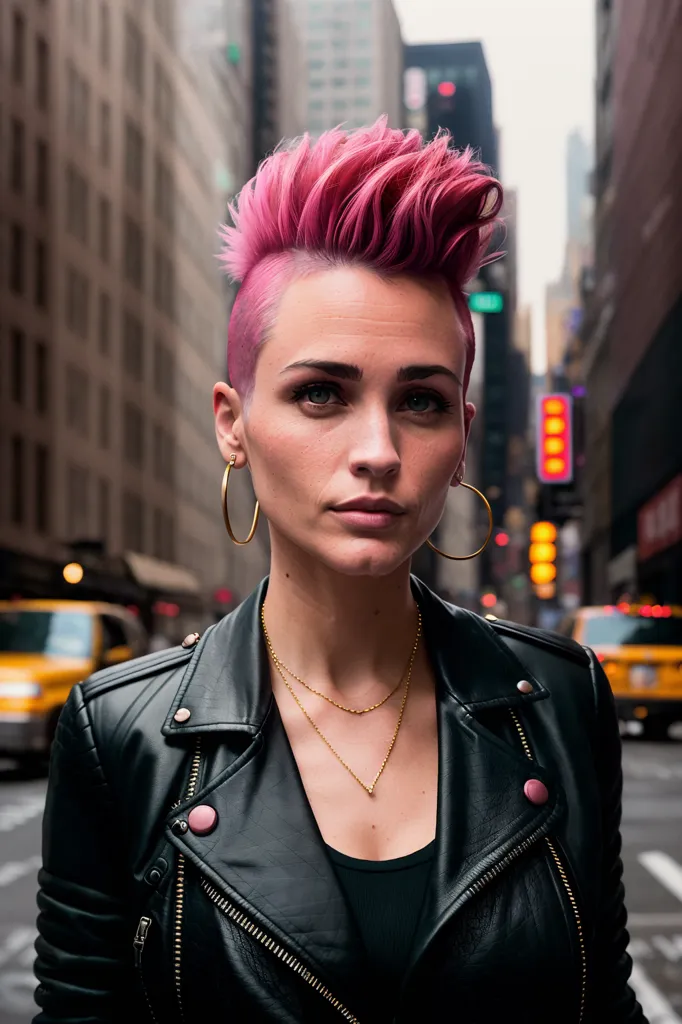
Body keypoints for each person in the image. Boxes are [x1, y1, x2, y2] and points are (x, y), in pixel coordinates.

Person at [33, 119, 645, 1024]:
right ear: (232, 423)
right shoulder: (121, 735)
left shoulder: (561, 700)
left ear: (463, 435)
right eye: (321, 393)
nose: (378, 450)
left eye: (421, 401)